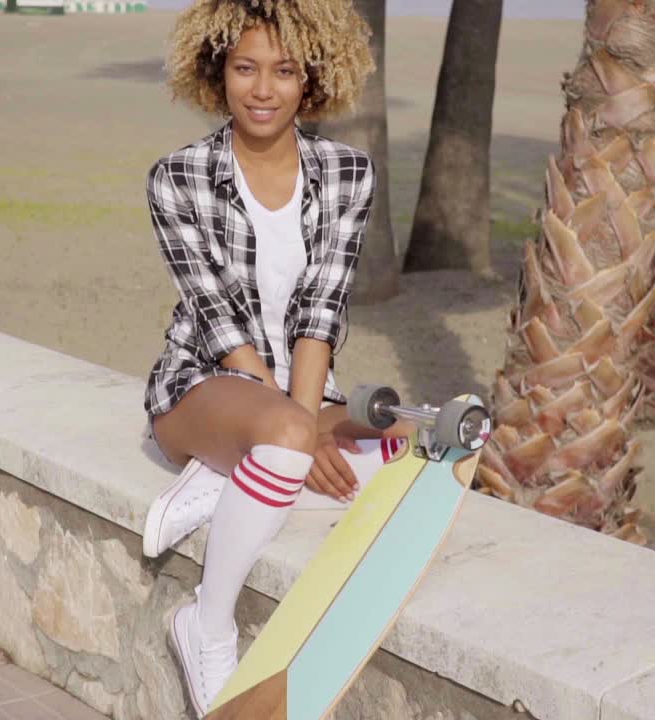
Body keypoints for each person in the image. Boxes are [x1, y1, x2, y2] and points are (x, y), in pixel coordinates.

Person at [138, 0, 407, 714]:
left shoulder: (347, 173)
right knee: (289, 438)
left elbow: (322, 311)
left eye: (284, 71)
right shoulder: (179, 177)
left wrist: (314, 414)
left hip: (301, 388)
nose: (263, 89)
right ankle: (208, 624)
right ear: (215, 73)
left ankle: (234, 476)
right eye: (245, 68)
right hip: (202, 385)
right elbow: (222, 325)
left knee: (414, 442)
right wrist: (300, 424)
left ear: (312, 78)